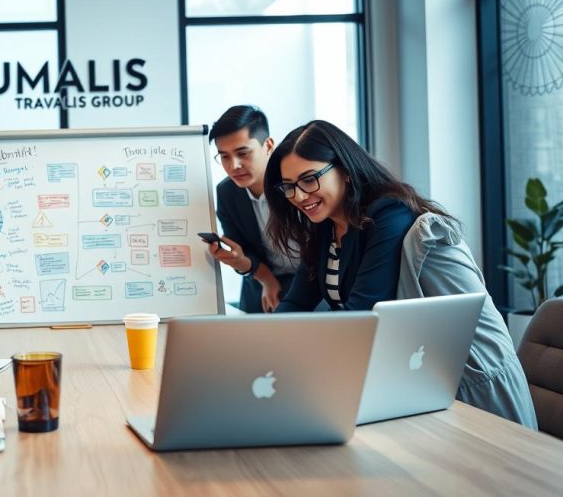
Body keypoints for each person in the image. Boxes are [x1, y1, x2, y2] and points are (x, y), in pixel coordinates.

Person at [264, 119, 537, 427]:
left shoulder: (388, 213)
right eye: (289, 186)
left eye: (309, 179)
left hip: (473, 381)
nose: (299, 196)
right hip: (420, 378)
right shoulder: (326, 229)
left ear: (346, 171)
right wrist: (262, 349)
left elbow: (362, 314)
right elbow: (296, 304)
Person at [204, 105, 300, 313]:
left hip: (312, 282)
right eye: (224, 156)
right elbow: (244, 248)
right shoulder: (226, 192)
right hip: (260, 286)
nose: (234, 165)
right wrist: (249, 267)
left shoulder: (296, 182)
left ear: (268, 146)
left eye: (243, 153)